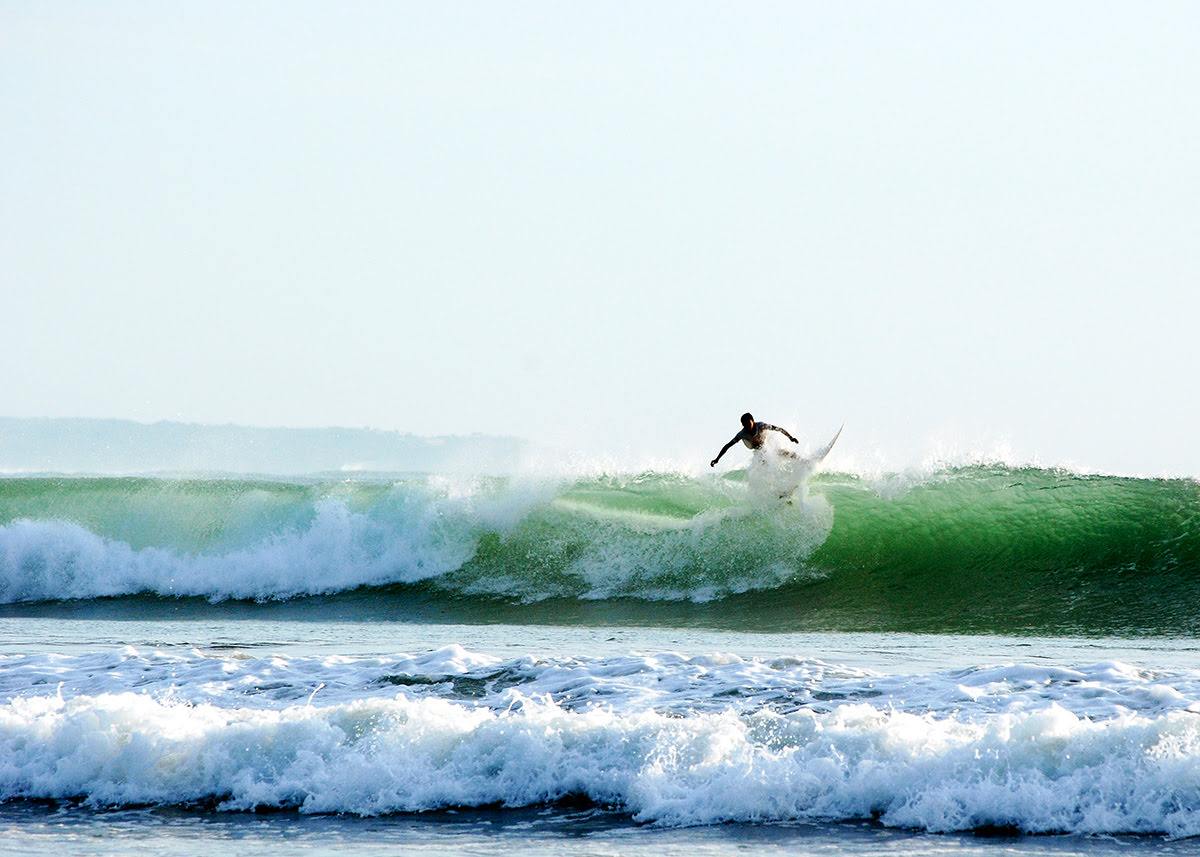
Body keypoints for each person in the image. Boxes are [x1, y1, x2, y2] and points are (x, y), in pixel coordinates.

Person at [710, 412, 800, 467]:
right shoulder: (742, 434)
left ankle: (803, 462)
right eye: (744, 424)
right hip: (758, 452)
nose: (747, 426)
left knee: (785, 453)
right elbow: (727, 446)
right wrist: (717, 459)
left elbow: (779, 429)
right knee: (765, 465)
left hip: (767, 446)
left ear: (753, 421)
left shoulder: (761, 426)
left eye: (748, 423)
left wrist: (791, 438)